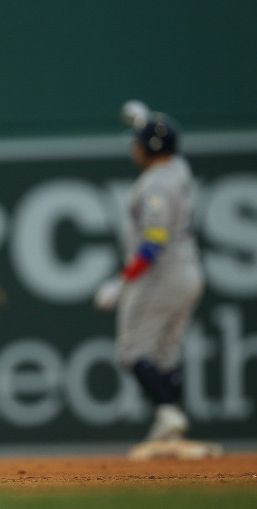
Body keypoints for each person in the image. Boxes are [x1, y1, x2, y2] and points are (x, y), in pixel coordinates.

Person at [94, 102, 204, 443]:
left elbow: (153, 243)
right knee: (166, 354)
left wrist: (120, 280)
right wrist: (148, 120)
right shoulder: (179, 169)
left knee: (133, 352)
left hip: (160, 274)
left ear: (152, 148)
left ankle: (167, 414)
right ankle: (174, 434)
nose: (134, 146)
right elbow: (169, 144)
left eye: (139, 140)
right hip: (189, 271)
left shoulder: (157, 184)